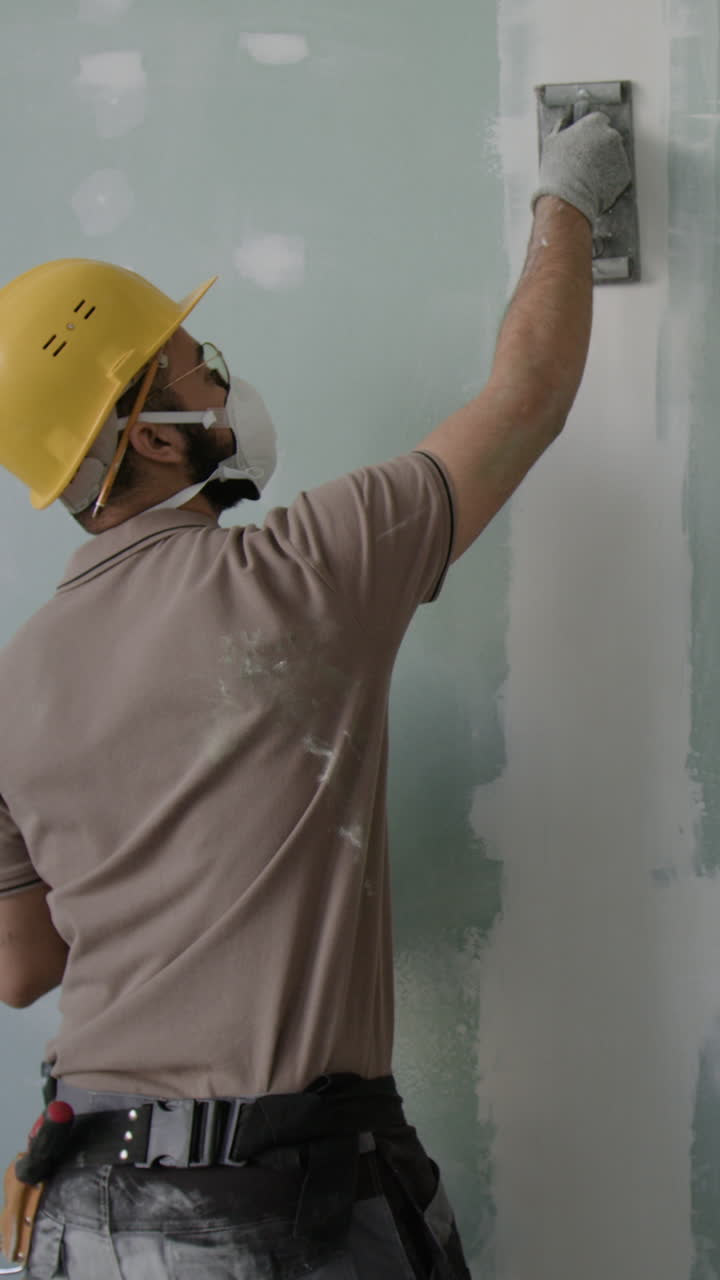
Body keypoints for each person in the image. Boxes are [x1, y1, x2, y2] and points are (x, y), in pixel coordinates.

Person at [0, 111, 630, 1279]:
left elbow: (20, 964)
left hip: (80, 1211)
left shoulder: (12, 678)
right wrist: (569, 200)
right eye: (201, 365)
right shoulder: (300, 574)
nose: (224, 375)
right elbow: (528, 396)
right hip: (264, 1212)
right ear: (146, 431)